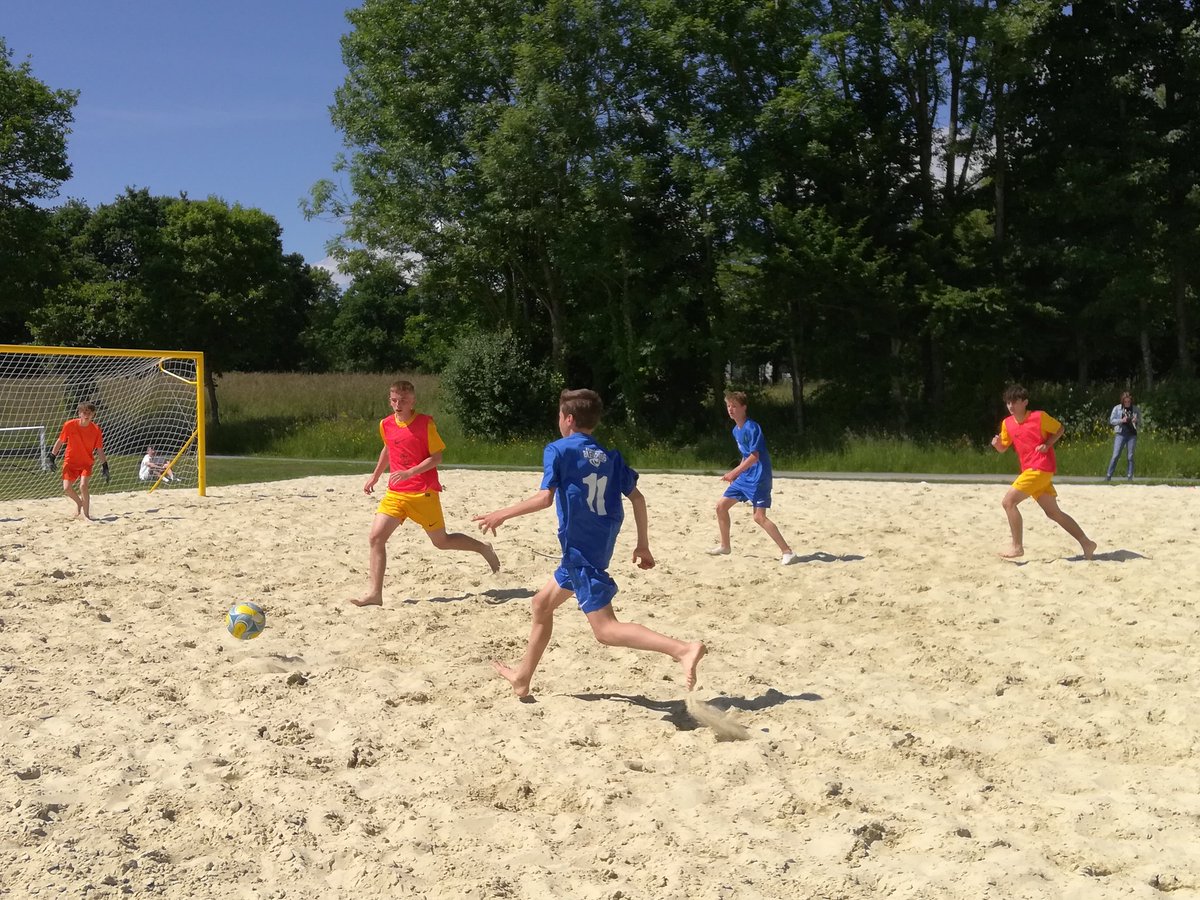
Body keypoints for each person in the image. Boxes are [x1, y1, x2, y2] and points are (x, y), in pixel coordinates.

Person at [474, 388, 706, 699]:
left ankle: (682, 649)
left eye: (559, 416)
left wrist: (501, 514)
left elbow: (544, 498)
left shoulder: (558, 450)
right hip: (596, 544)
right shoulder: (610, 456)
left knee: (605, 630)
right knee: (541, 604)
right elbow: (638, 499)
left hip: (581, 551)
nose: (558, 421)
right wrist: (643, 544)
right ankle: (522, 678)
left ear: (568, 419)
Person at [349, 379, 500, 607]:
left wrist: (410, 472)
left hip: (423, 493)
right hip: (396, 493)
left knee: (441, 541)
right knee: (376, 537)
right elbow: (388, 449)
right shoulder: (386, 424)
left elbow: (437, 457)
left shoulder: (425, 424)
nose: (398, 405)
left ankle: (482, 548)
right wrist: (375, 475)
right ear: (390, 401)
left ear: (413, 401)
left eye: (403, 400)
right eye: (394, 400)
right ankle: (374, 594)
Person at [990, 384, 1096, 560]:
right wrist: (997, 445)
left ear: (1025, 402)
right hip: (1032, 471)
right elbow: (1003, 448)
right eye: (1008, 402)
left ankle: (1017, 547)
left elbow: (1060, 429)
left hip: (1040, 468)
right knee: (1053, 513)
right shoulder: (1007, 423)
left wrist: (1047, 444)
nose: (1010, 406)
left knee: (1008, 502)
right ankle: (1087, 543)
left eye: (1014, 402)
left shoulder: (1039, 417)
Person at [707, 391, 797, 566]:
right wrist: (737, 474)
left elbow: (755, 456)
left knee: (759, 517)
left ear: (744, 408)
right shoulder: (736, 430)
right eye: (728, 406)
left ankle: (787, 552)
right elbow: (745, 456)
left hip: (759, 477)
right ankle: (725, 546)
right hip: (746, 476)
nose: (730, 409)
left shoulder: (752, 427)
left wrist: (734, 472)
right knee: (720, 507)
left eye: (734, 406)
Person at [49, 401, 110, 520]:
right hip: (70, 462)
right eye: (84, 412)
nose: (86, 415)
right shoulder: (69, 425)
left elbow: (99, 449)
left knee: (83, 486)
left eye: (89, 413)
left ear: (93, 414)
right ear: (79, 413)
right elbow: (60, 441)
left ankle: (86, 515)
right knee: (67, 488)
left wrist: (105, 466)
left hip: (86, 463)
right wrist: (52, 457)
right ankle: (79, 503)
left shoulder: (96, 429)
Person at [1105, 390, 1141, 481]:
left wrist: (1136, 421)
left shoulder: (1135, 409)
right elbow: (1112, 420)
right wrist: (1121, 420)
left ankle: (1130, 477)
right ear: (1123, 401)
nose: (1127, 403)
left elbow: (1140, 421)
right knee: (1115, 455)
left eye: (1129, 401)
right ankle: (1108, 476)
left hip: (1132, 434)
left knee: (1130, 456)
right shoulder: (1117, 408)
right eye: (1125, 401)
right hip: (1120, 434)